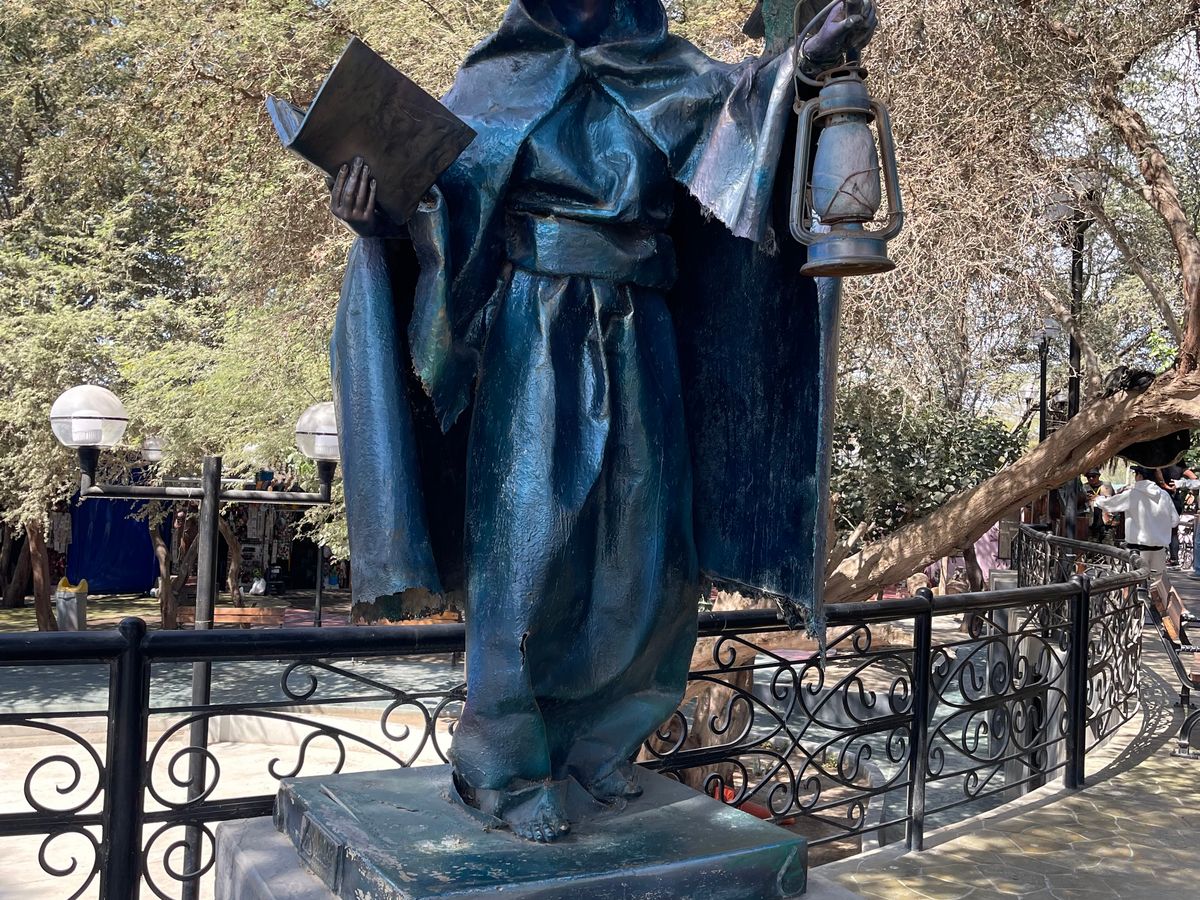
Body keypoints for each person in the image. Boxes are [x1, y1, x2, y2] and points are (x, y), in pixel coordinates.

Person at [324, 0, 879, 841]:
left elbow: (747, 107)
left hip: (642, 330)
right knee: (527, 550)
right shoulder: (495, 79)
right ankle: (503, 771)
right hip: (536, 331)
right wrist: (378, 220)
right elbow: (444, 208)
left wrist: (806, 60)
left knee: (647, 549)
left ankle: (600, 745)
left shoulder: (672, 69)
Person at [1094, 465, 1179, 592]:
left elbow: (1109, 505)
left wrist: (1098, 499)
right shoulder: (1164, 495)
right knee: (1158, 588)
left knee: (1133, 587)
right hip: (1159, 550)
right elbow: (1175, 521)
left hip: (1137, 551)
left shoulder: (1132, 494)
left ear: (1140, 475)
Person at [1156, 461, 1197, 566]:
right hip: (1175, 499)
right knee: (1174, 530)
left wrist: (1166, 486)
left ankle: (1158, 557)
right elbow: (1194, 477)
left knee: (1157, 527)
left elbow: (1159, 475)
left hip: (1160, 497)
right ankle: (1174, 558)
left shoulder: (1160, 459)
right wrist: (1191, 492)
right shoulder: (1179, 462)